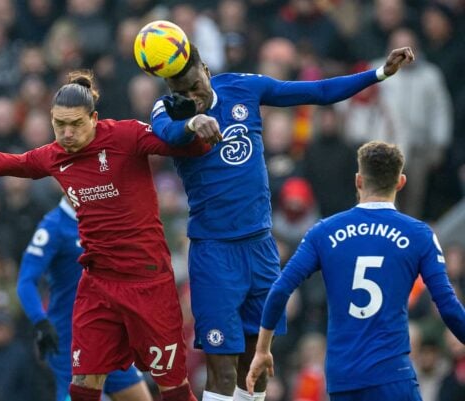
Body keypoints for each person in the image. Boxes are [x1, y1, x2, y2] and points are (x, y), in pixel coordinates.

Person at [0, 70, 211, 401]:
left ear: (93, 117)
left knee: (174, 391)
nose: (66, 133)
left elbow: (190, 148)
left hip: (147, 282)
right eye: (58, 124)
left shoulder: (126, 136)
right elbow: (2, 163)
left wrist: (190, 124)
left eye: (75, 124)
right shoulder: (55, 156)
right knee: (82, 389)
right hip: (98, 286)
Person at [150, 40, 415, 401]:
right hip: (214, 253)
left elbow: (318, 91)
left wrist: (380, 73)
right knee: (222, 368)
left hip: (260, 248)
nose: (193, 96)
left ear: (207, 71)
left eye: (196, 85)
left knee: (256, 367)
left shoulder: (242, 87)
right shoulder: (168, 110)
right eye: (183, 92)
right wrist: (193, 122)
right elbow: (166, 132)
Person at [246, 141, 465, 400]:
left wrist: (262, 350)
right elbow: (448, 306)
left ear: (358, 181)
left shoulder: (324, 232)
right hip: (392, 375)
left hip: (343, 378)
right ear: (401, 182)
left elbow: (280, 289)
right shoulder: (419, 235)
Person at [17, 196, 152, 401]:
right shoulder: (53, 227)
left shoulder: (104, 220)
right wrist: (40, 321)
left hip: (109, 336)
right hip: (71, 338)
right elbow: (26, 281)